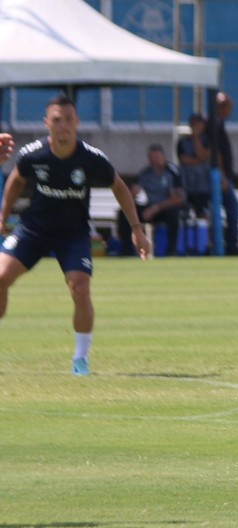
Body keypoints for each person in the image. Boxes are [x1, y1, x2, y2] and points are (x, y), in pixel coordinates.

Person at [0, 95, 151, 376]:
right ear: (47, 124)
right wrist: (3, 214)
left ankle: (81, 358)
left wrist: (137, 230)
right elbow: (17, 179)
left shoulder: (91, 158)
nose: (63, 126)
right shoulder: (33, 154)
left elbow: (119, 187)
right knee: (0, 277)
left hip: (73, 235)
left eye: (69, 120)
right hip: (34, 230)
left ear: (77, 123)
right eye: (57, 120)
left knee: (80, 288)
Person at [117, 144, 185, 256]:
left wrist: (156, 208)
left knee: (173, 213)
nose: (153, 160)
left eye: (156, 157)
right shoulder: (146, 173)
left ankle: (171, 250)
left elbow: (178, 199)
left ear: (163, 157)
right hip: (150, 208)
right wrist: (130, 199)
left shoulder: (172, 172)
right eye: (151, 157)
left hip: (165, 208)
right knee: (124, 213)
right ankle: (127, 250)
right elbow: (133, 191)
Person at [214, 91, 238, 255]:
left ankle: (229, 244)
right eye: (227, 106)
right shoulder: (214, 124)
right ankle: (230, 246)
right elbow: (216, 154)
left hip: (223, 176)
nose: (230, 109)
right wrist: (222, 176)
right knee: (233, 208)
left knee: (231, 209)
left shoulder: (219, 123)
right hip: (221, 177)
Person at [176, 112, 212, 220]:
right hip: (187, 184)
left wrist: (196, 139)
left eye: (200, 124)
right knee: (184, 213)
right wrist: (200, 160)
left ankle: (205, 236)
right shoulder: (183, 142)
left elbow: (204, 155)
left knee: (203, 213)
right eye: (195, 124)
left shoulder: (207, 140)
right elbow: (184, 160)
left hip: (202, 186)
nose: (198, 127)